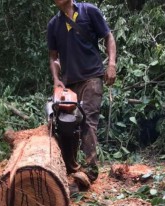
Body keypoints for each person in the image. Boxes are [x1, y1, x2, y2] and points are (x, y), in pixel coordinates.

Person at [47, 0, 116, 189]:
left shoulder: (89, 11)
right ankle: (70, 168)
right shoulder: (54, 25)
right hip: (69, 83)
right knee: (65, 124)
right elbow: (53, 56)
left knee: (88, 120)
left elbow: (108, 37)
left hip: (92, 76)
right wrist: (56, 78)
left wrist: (111, 64)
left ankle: (90, 170)